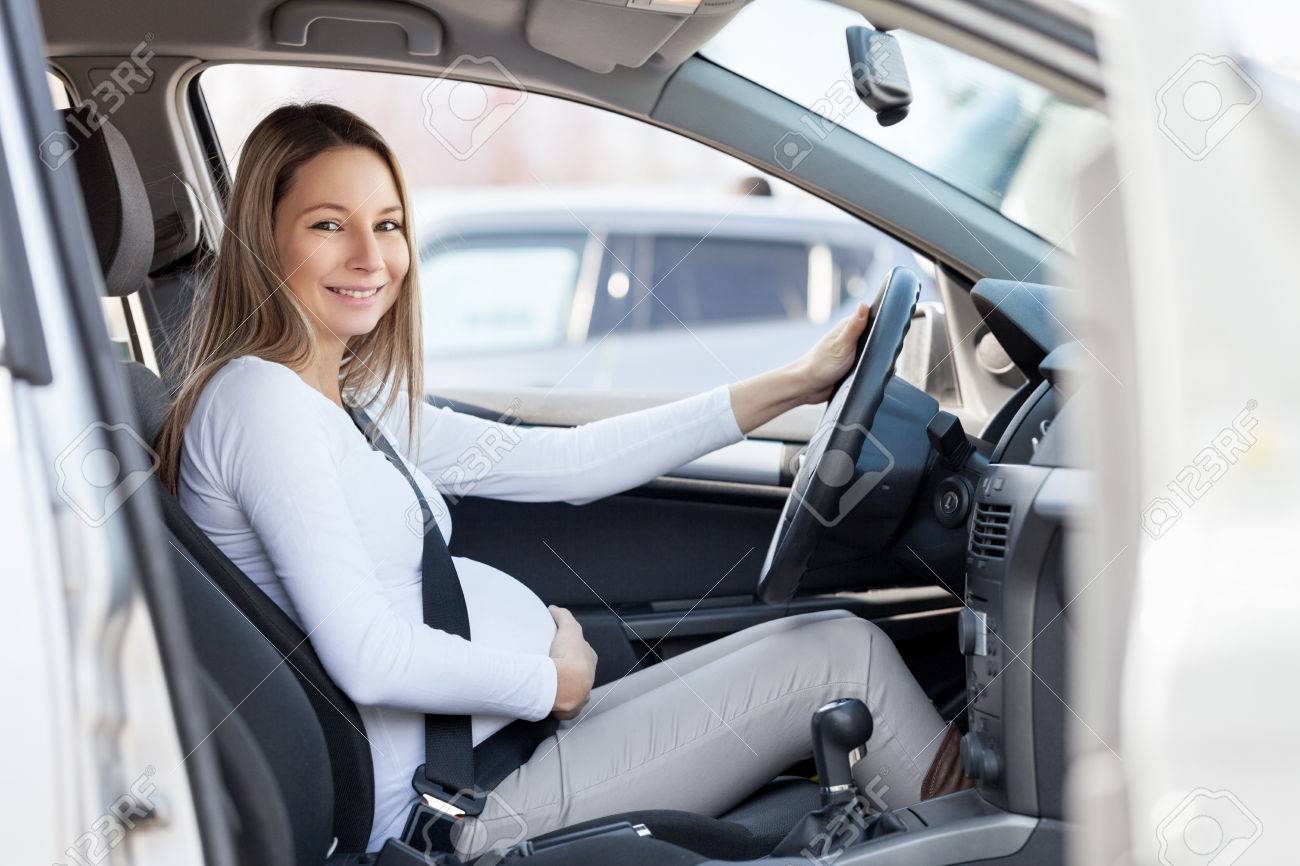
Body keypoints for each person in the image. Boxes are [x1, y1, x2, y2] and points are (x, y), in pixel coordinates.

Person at [155, 103, 958, 858]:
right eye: (329, 225)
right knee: (843, 662)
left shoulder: (347, 400)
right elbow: (368, 656)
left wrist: (792, 383)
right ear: (264, 239)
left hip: (503, 746)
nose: (371, 257)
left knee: (833, 637)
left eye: (389, 224)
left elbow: (567, 462)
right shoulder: (259, 401)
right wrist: (550, 681)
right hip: (456, 809)